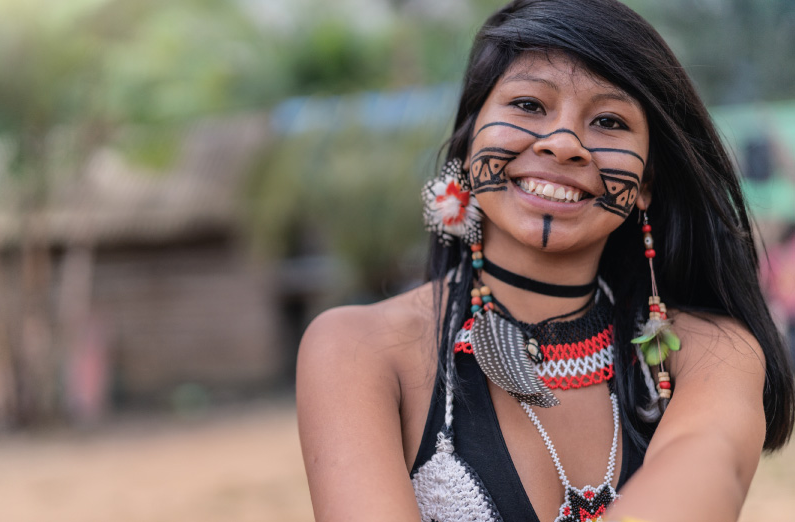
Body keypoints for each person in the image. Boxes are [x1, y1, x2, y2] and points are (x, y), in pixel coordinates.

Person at [296, 1, 795, 521]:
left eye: (608, 121)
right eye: (529, 105)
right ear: (469, 140)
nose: (563, 144)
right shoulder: (360, 351)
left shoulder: (710, 353)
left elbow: (706, 472)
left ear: (646, 183)